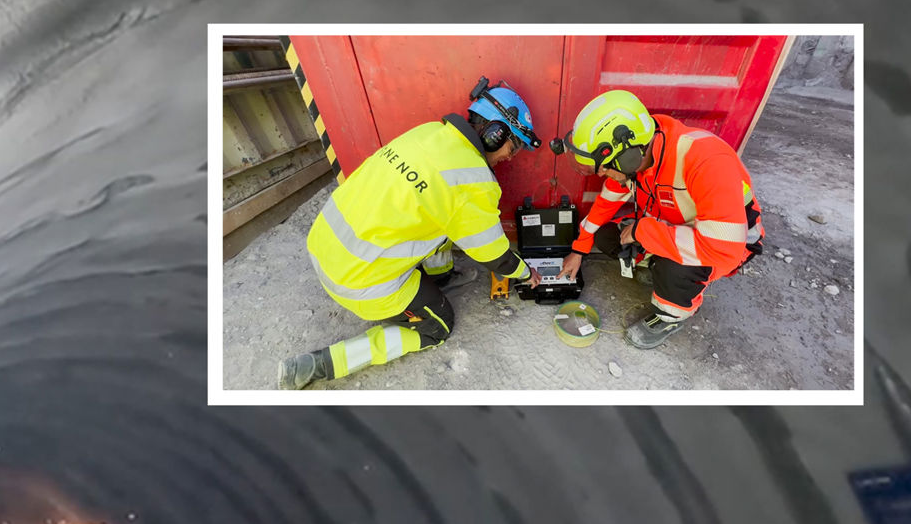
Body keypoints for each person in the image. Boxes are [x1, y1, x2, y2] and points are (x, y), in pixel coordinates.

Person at [278, 79, 545, 390]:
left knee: (440, 216)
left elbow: (439, 212)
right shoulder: (473, 181)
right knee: (438, 327)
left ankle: (441, 276)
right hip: (358, 280)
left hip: (324, 246)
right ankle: (322, 364)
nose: (509, 157)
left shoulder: (427, 133)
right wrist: (525, 273)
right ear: (495, 133)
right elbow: (492, 253)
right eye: (512, 147)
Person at [553, 89, 765, 349]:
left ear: (629, 156)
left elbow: (722, 249)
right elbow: (603, 207)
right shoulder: (636, 159)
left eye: (605, 167)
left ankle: (672, 314)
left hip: (725, 243)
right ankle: (655, 266)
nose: (604, 175)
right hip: (670, 225)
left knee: (673, 268)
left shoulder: (706, 160)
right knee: (607, 234)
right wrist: (578, 250)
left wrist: (643, 232)